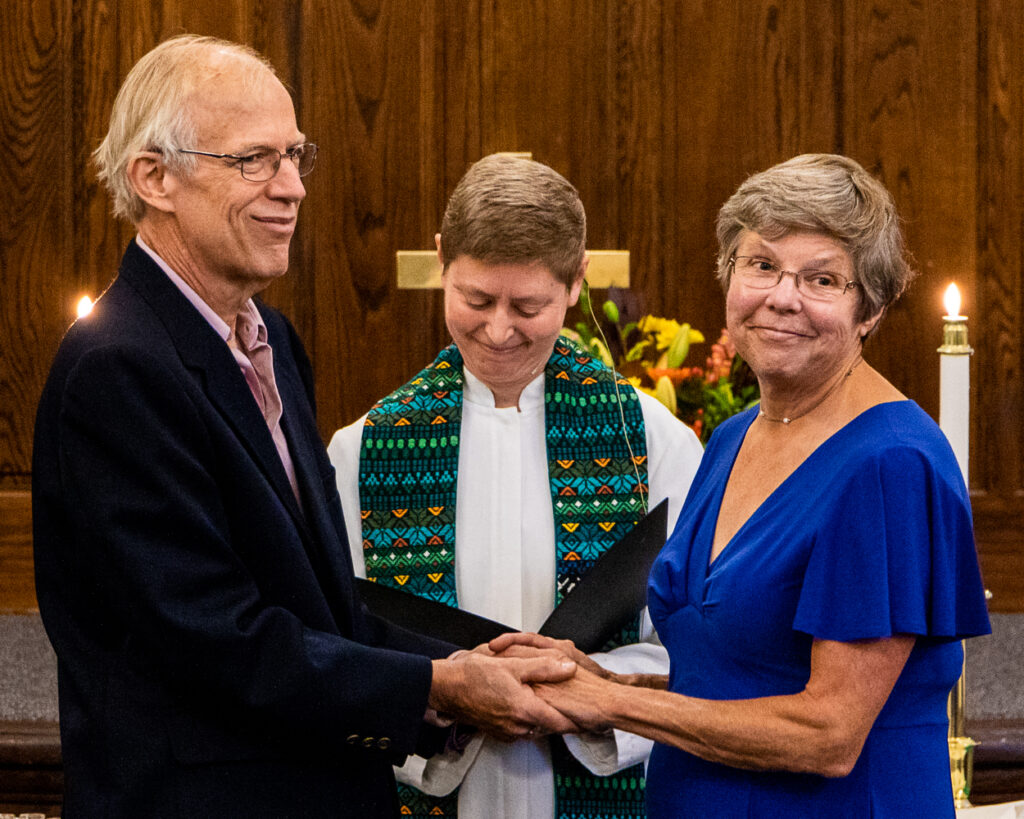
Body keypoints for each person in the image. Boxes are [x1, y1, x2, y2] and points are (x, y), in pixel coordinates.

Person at [32, 36, 578, 818]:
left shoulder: (272, 340)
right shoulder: (117, 367)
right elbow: (214, 637)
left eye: (294, 155)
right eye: (253, 160)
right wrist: (437, 685)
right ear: (153, 177)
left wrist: (464, 660)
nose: (291, 187)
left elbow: (322, 607)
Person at [501, 153, 992, 817]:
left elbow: (829, 731)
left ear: (869, 308)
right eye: (761, 265)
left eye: (821, 278)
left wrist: (615, 702)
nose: (781, 296)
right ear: (729, 276)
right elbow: (738, 672)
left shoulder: (890, 464)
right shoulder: (734, 437)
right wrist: (598, 677)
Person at [328, 153, 705, 819]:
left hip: (602, 776)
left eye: (527, 304)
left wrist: (589, 694)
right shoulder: (362, 451)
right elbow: (339, 644)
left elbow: (698, 647)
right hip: (436, 784)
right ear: (443, 260)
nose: (498, 328)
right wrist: (448, 694)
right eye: (475, 299)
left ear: (576, 280)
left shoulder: (652, 442)